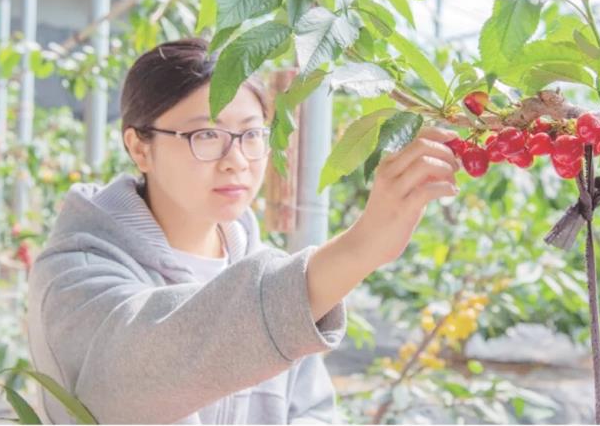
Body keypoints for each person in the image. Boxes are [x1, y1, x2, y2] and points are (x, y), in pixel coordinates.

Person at [26, 38, 460, 424]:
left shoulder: (265, 270)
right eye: (206, 135)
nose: (236, 160)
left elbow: (311, 410)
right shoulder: (74, 274)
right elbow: (137, 372)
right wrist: (359, 248)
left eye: (251, 134)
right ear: (140, 148)